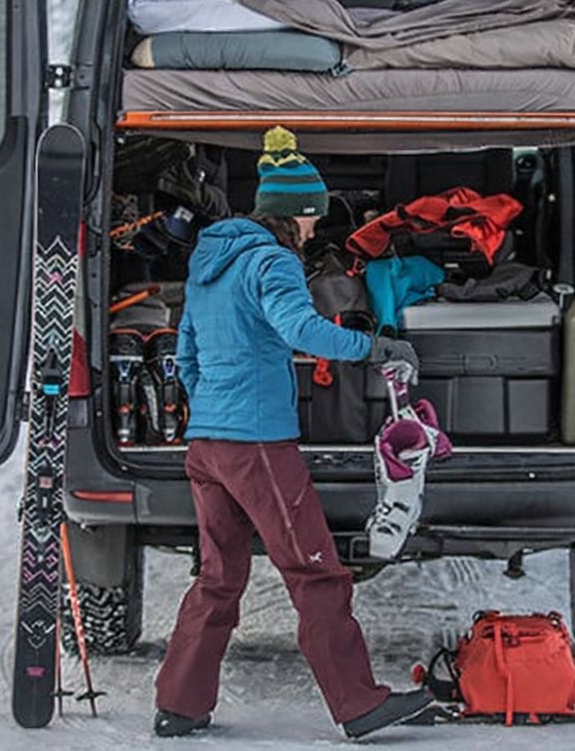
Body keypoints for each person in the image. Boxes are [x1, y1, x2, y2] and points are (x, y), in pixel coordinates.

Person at [153, 126, 430, 740]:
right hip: (256, 444)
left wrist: (213, 411)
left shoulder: (210, 261)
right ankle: (358, 704)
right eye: (311, 219)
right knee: (315, 572)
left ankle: (180, 702)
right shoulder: (271, 261)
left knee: (219, 576)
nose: (312, 231)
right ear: (295, 215)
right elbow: (302, 330)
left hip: (209, 446)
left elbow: (188, 353)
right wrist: (372, 344)